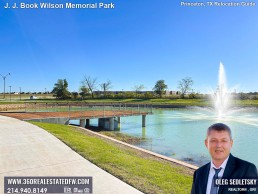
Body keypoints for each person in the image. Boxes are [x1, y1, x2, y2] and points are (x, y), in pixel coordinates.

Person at [191, 123, 258, 194]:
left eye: (224, 141)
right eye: (214, 140)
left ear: (231, 143)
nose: (219, 145)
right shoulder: (199, 173)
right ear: (206, 143)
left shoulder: (247, 170)